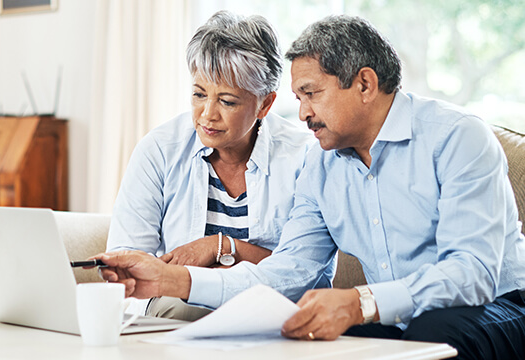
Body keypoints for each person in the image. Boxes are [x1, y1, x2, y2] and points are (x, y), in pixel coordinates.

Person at [95, 15, 525, 358]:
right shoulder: (321, 163)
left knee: (432, 331)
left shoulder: (457, 137)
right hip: (400, 319)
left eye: (310, 94)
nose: (300, 114)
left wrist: (359, 303)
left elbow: (472, 274)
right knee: (307, 338)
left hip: (497, 307)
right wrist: (171, 279)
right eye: (298, 99)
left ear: (364, 84)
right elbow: (287, 274)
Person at [104, 11, 333, 321]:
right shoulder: (159, 150)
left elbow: (305, 274)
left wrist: (221, 246)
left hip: (272, 312)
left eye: (227, 101)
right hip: (179, 311)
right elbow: (128, 263)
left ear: (264, 104)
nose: (206, 114)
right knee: (180, 307)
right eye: (199, 94)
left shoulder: (304, 157)